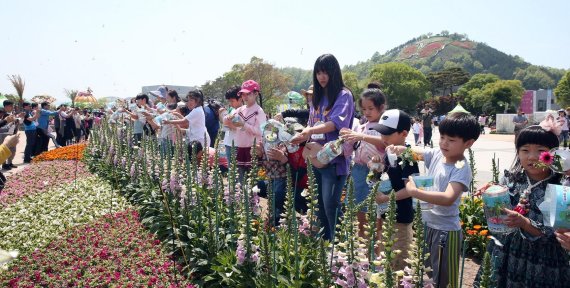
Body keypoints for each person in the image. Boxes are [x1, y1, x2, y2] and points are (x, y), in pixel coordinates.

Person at [474, 119, 570, 288]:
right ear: (517, 153)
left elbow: (554, 232)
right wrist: (491, 196)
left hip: (543, 259)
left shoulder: (561, 187)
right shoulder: (511, 179)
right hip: (507, 251)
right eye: (525, 150)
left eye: (541, 151)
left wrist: (524, 222)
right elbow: (499, 213)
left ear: (552, 154)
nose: (531, 156)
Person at [392, 112, 480, 288]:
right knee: (428, 275)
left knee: (444, 280)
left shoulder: (461, 168)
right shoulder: (439, 154)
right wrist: (402, 149)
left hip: (446, 232)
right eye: (442, 137)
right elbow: (419, 152)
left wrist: (415, 192)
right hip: (428, 226)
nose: (444, 143)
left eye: (451, 140)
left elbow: (448, 198)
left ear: (468, 143)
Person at [290, 54, 355, 241]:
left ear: (334, 72)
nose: (322, 76)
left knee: (330, 204)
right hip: (316, 158)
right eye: (318, 72)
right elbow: (311, 124)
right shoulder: (317, 98)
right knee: (318, 205)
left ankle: (341, 247)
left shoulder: (344, 95)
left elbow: (334, 124)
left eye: (325, 72)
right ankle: (324, 244)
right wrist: (299, 135)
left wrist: (309, 130)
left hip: (334, 159)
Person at [371, 109, 417, 272]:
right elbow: (382, 179)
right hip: (384, 215)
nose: (383, 138)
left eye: (387, 134)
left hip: (401, 217)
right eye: (381, 133)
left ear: (403, 133)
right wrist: (376, 168)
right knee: (384, 257)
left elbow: (411, 189)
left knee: (400, 261)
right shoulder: (388, 152)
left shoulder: (408, 156)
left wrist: (387, 198)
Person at [339, 88, 386, 237]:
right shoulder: (362, 126)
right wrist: (347, 139)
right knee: (359, 212)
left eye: (371, 108)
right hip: (359, 170)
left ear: (382, 107)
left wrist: (360, 136)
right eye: (364, 109)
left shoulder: (385, 127)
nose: (367, 112)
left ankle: (374, 249)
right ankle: (363, 244)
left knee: (376, 213)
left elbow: (385, 142)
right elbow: (352, 148)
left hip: (376, 172)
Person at [223, 80, 266, 183]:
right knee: (239, 181)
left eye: (248, 94)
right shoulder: (240, 110)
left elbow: (261, 131)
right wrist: (228, 118)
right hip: (240, 148)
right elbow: (225, 121)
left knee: (252, 183)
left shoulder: (259, 111)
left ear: (256, 94)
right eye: (243, 94)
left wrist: (243, 125)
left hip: (253, 150)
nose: (245, 97)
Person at [163, 90, 209, 157]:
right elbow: (185, 121)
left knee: (196, 160)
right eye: (188, 100)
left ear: (198, 100)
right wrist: (176, 117)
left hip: (200, 139)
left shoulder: (197, 111)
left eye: (191, 100)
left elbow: (184, 121)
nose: (188, 102)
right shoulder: (196, 110)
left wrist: (169, 121)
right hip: (196, 138)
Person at [219, 85, 242, 162]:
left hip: (237, 144)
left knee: (236, 170)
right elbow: (225, 122)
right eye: (229, 101)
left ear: (240, 99)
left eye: (232, 101)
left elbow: (243, 129)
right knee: (231, 169)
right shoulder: (232, 110)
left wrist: (231, 125)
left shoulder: (243, 111)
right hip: (228, 142)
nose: (230, 103)